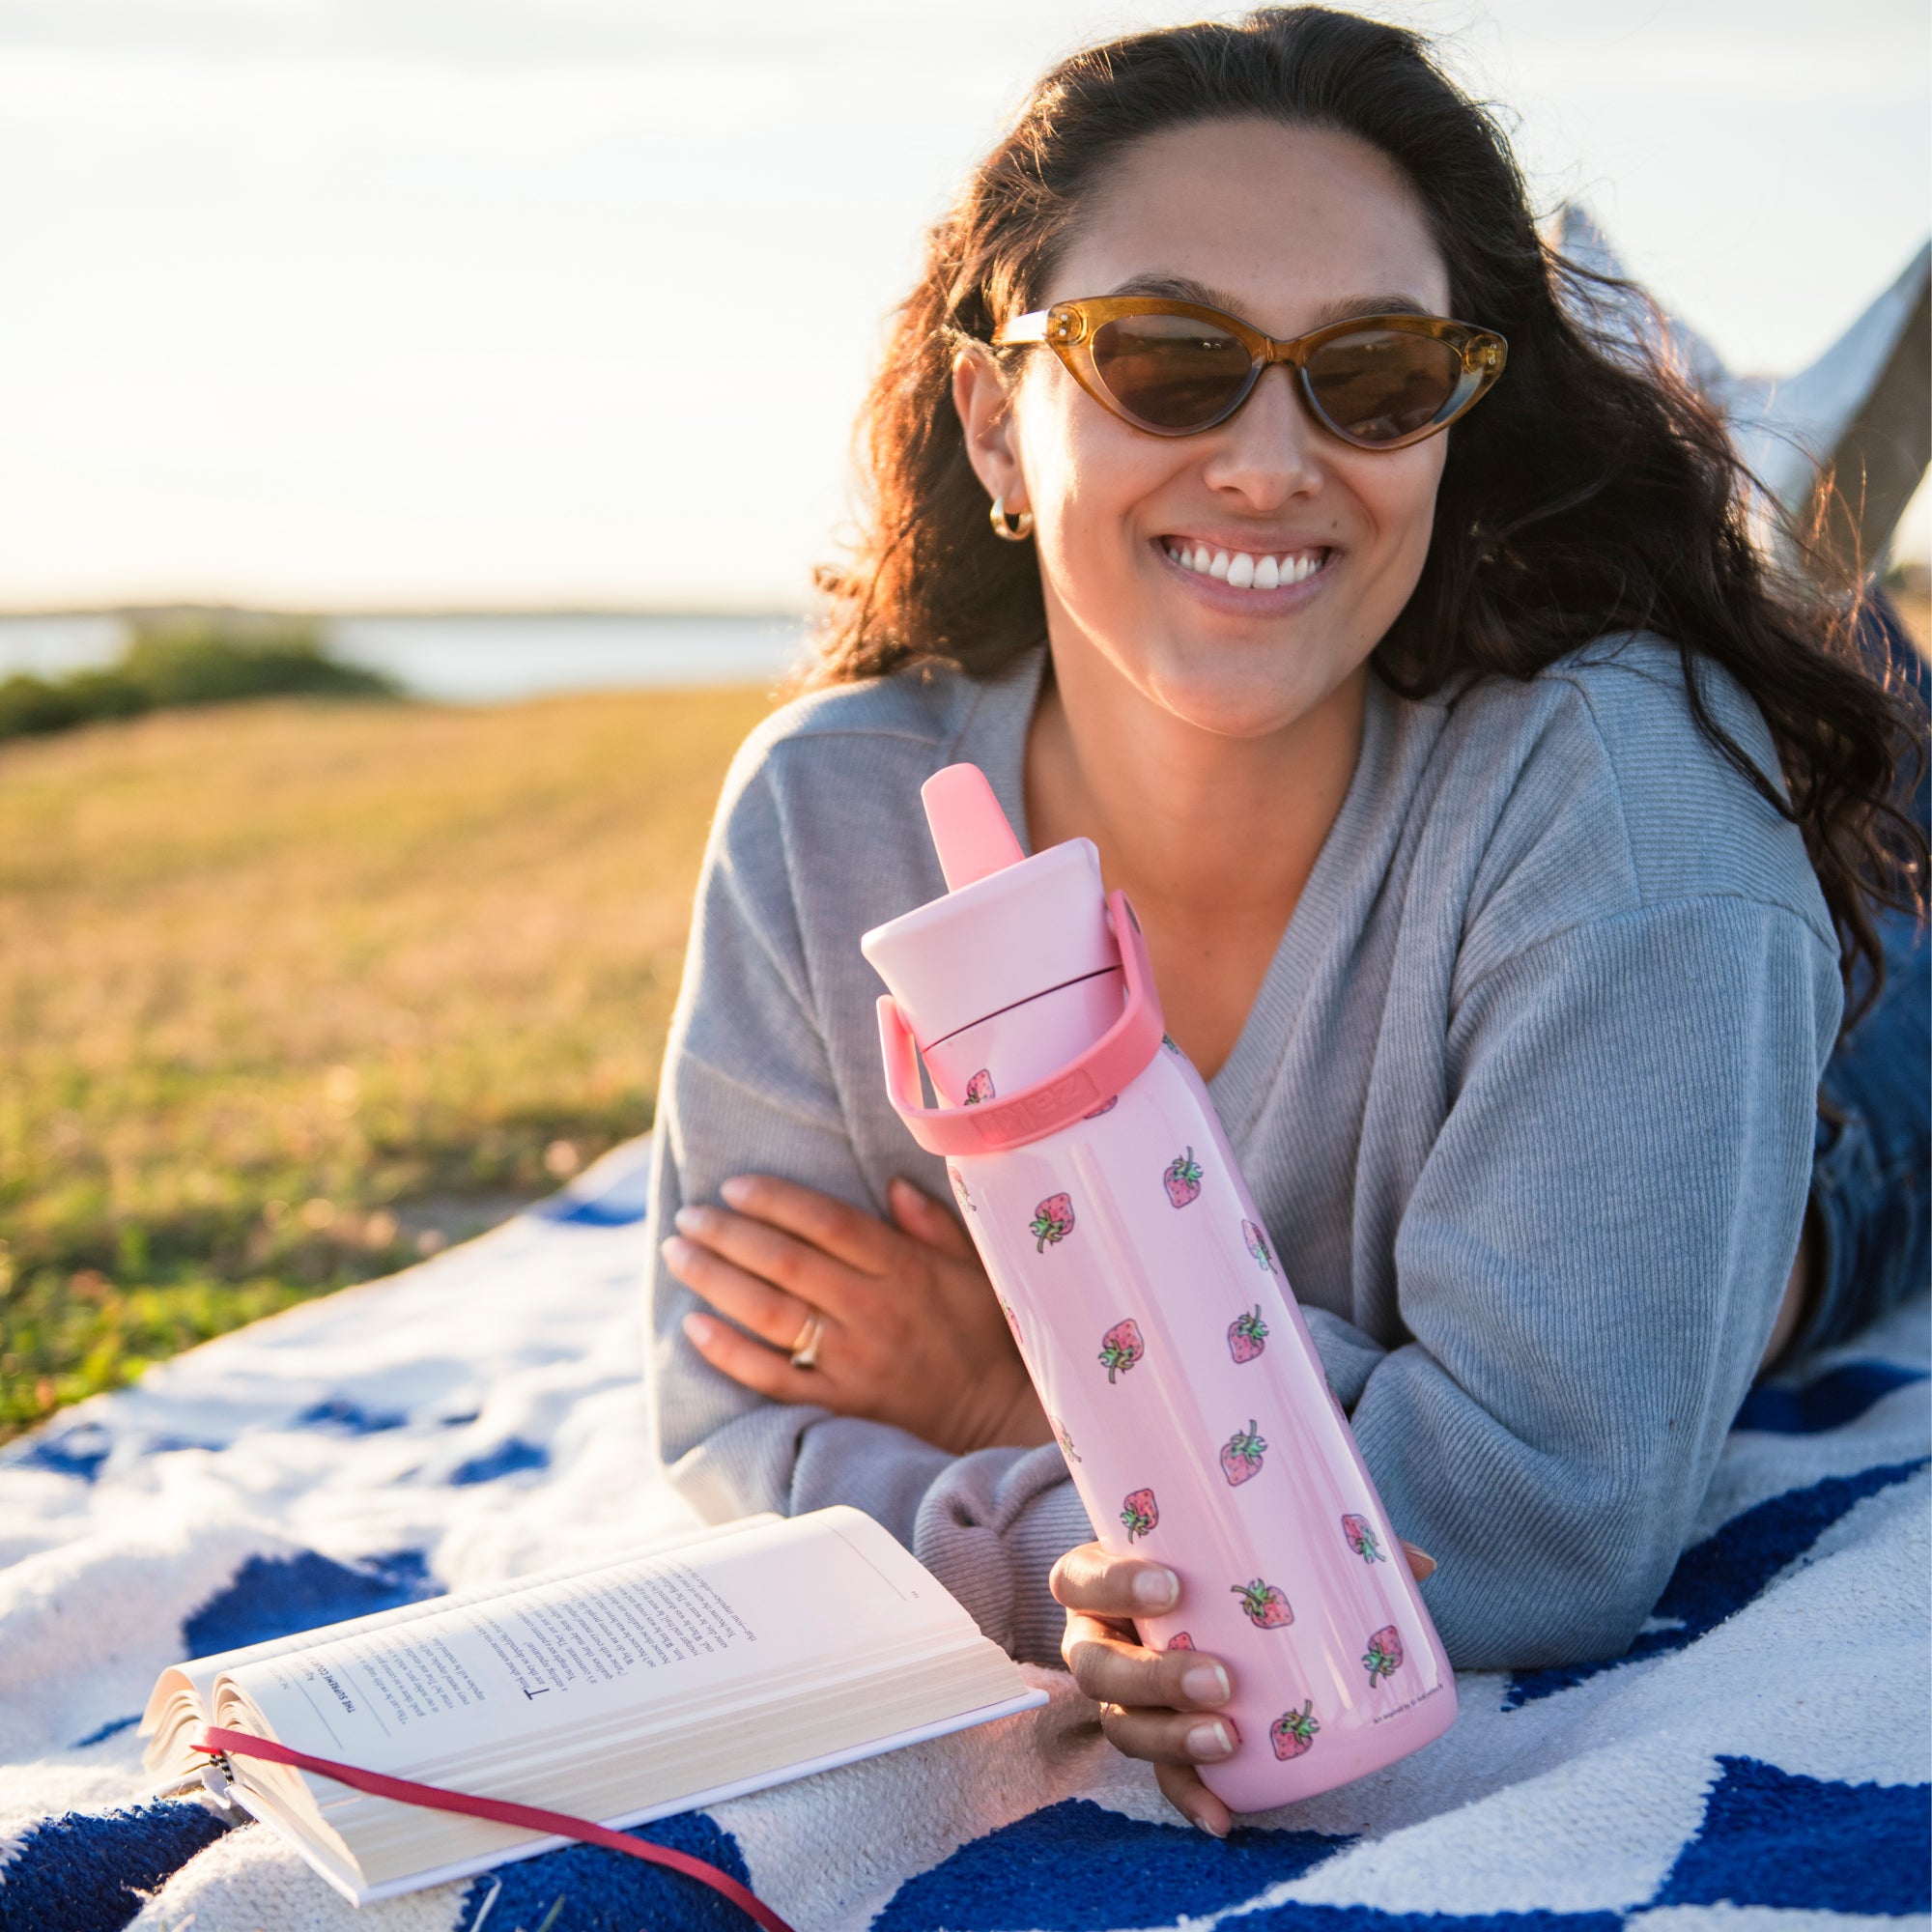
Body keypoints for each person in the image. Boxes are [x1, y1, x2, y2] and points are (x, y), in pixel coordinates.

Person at [644, 8, 1927, 1835]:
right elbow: (728, 1427)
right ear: (995, 419)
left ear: (1455, 429)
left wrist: (1007, 1377)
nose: (1266, 460)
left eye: (1375, 373)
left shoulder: (1636, 806)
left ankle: (1834, 613)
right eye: (1165, 360)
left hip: (1830, 1111)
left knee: (1859, 728)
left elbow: (1545, 1520)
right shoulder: (824, 817)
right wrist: (1151, 1506)